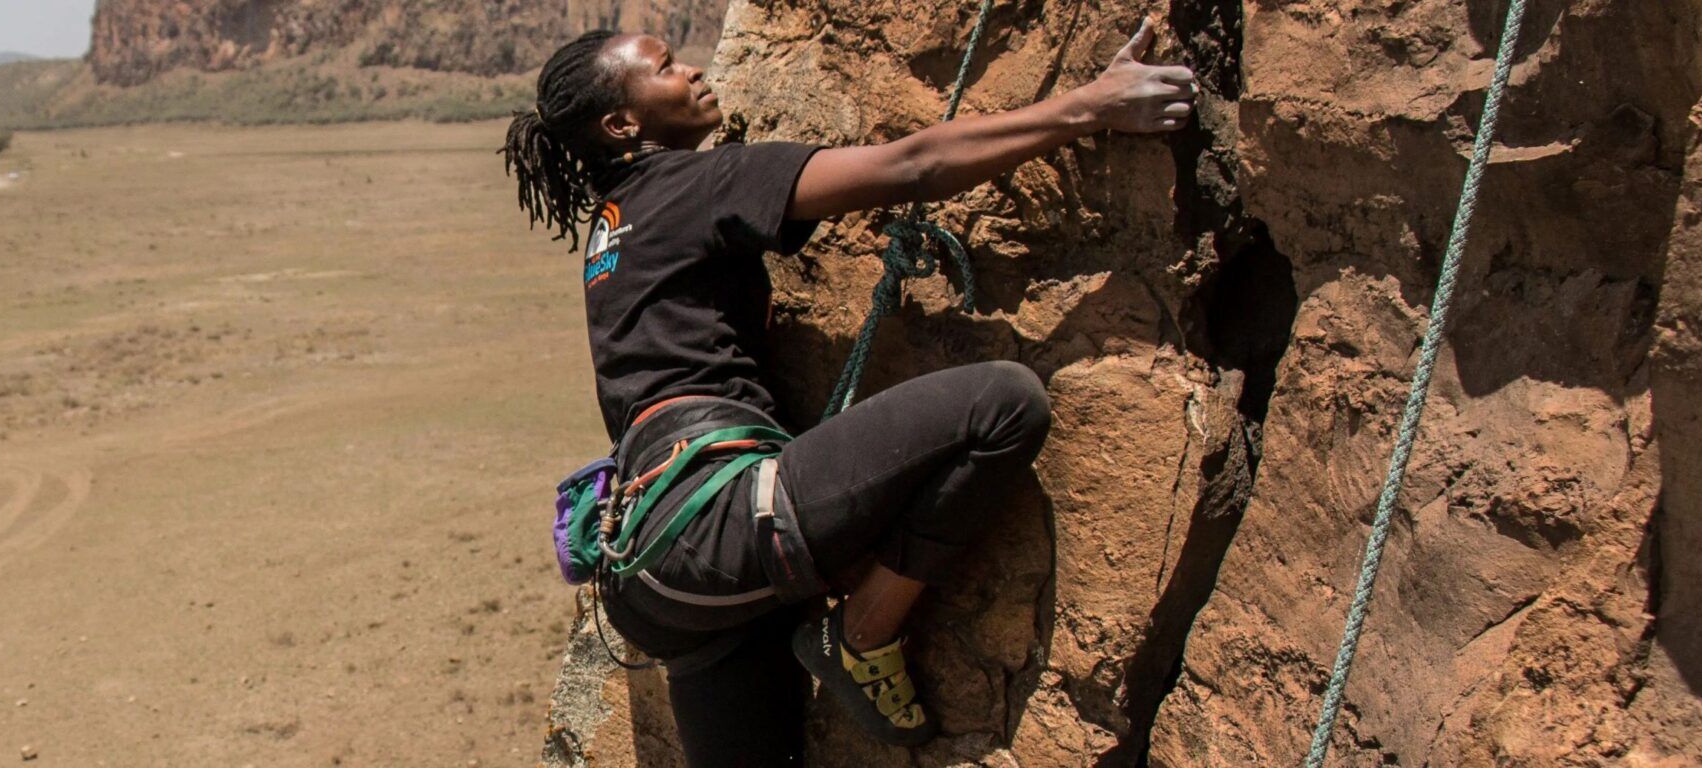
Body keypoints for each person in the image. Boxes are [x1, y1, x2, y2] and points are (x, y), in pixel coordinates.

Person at [502, 20, 1196, 765]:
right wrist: (1094, 105)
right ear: (622, 123)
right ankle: (863, 634)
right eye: (668, 68)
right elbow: (915, 165)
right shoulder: (694, 182)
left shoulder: (613, 231)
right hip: (719, 525)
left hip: (655, 584)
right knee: (1003, 405)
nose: (695, 71)